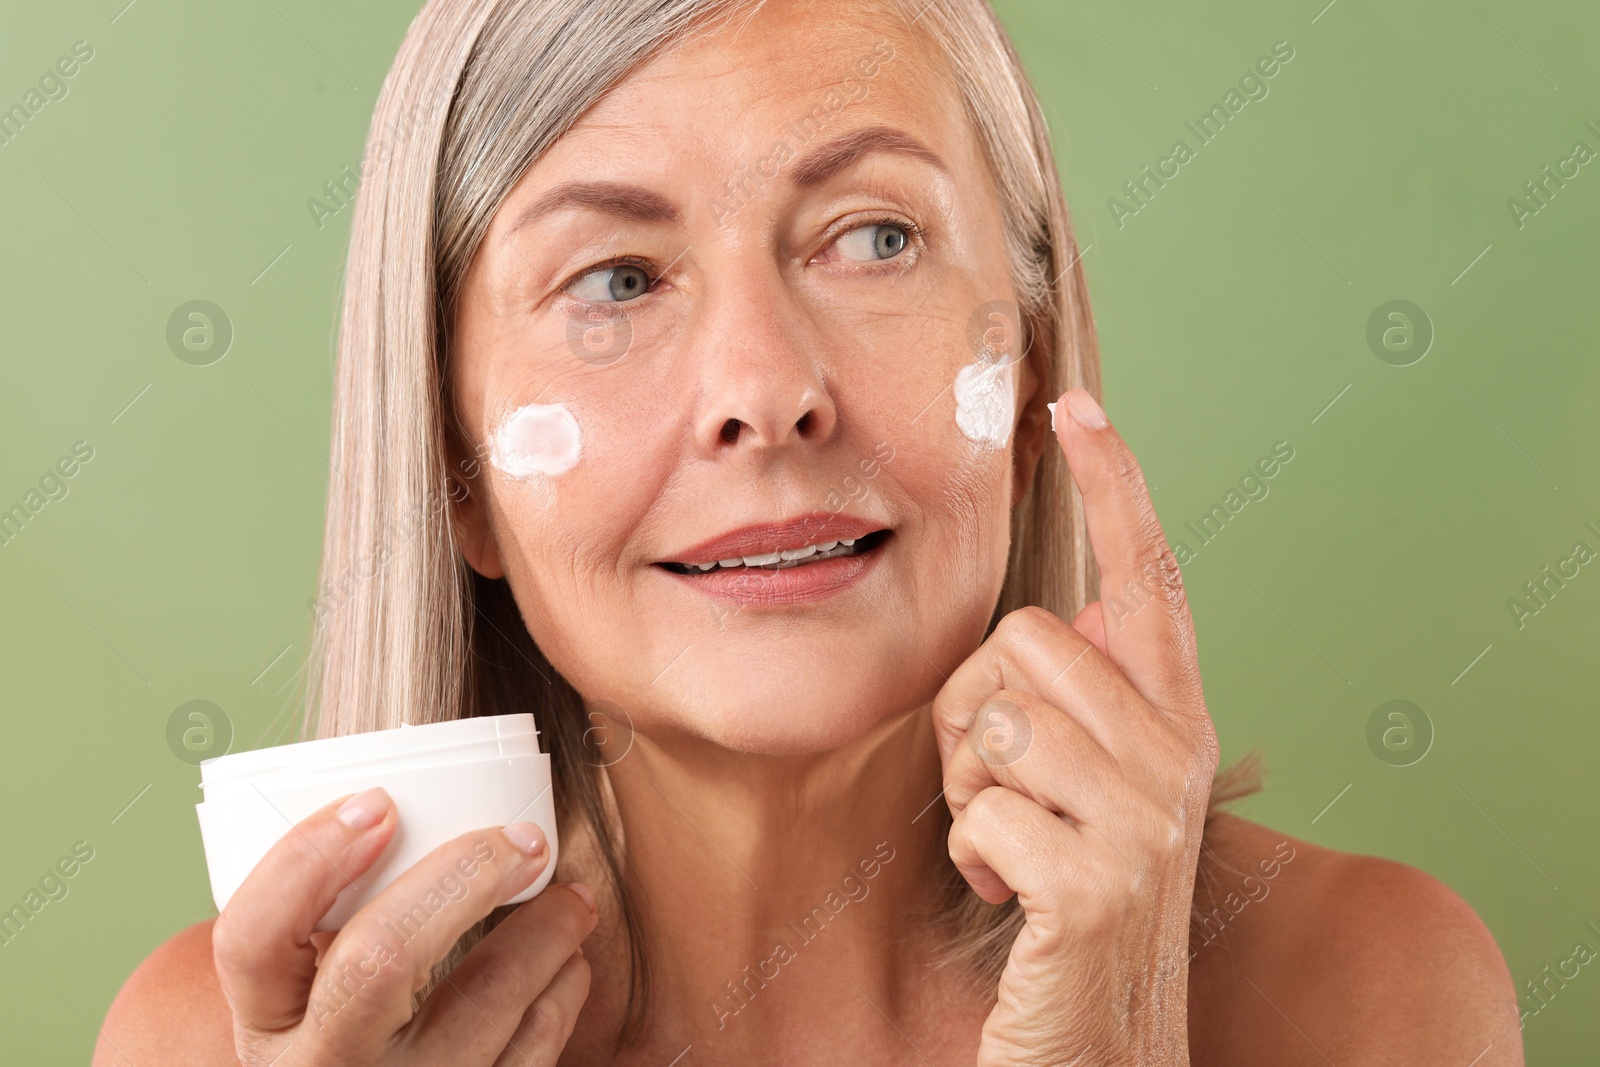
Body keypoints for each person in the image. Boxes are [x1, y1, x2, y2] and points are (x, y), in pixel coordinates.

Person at [98, 0, 1522, 1063]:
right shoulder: (216, 1041)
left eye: (874, 238)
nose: (766, 395)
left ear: (1030, 372)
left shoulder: (1370, 993)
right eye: (616, 278)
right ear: (456, 470)